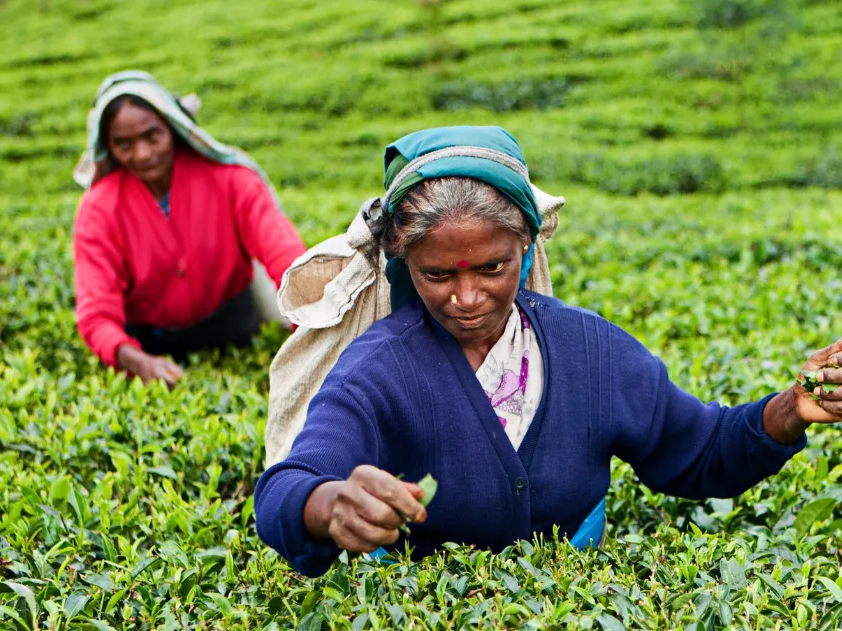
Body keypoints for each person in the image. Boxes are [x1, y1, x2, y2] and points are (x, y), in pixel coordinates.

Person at [254, 126, 842, 578]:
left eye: (491, 267)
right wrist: (329, 504)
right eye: (436, 274)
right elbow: (289, 483)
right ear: (404, 266)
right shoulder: (378, 368)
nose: (466, 297)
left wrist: (789, 409)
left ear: (526, 248)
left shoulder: (590, 348)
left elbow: (698, 448)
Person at [72, 71, 307, 386]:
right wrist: (135, 359)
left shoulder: (231, 180)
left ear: (173, 127)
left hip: (234, 328)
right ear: (107, 146)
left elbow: (286, 259)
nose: (141, 153)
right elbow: (96, 312)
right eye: (123, 144)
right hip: (150, 341)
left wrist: (309, 328)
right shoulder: (99, 209)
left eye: (151, 136)